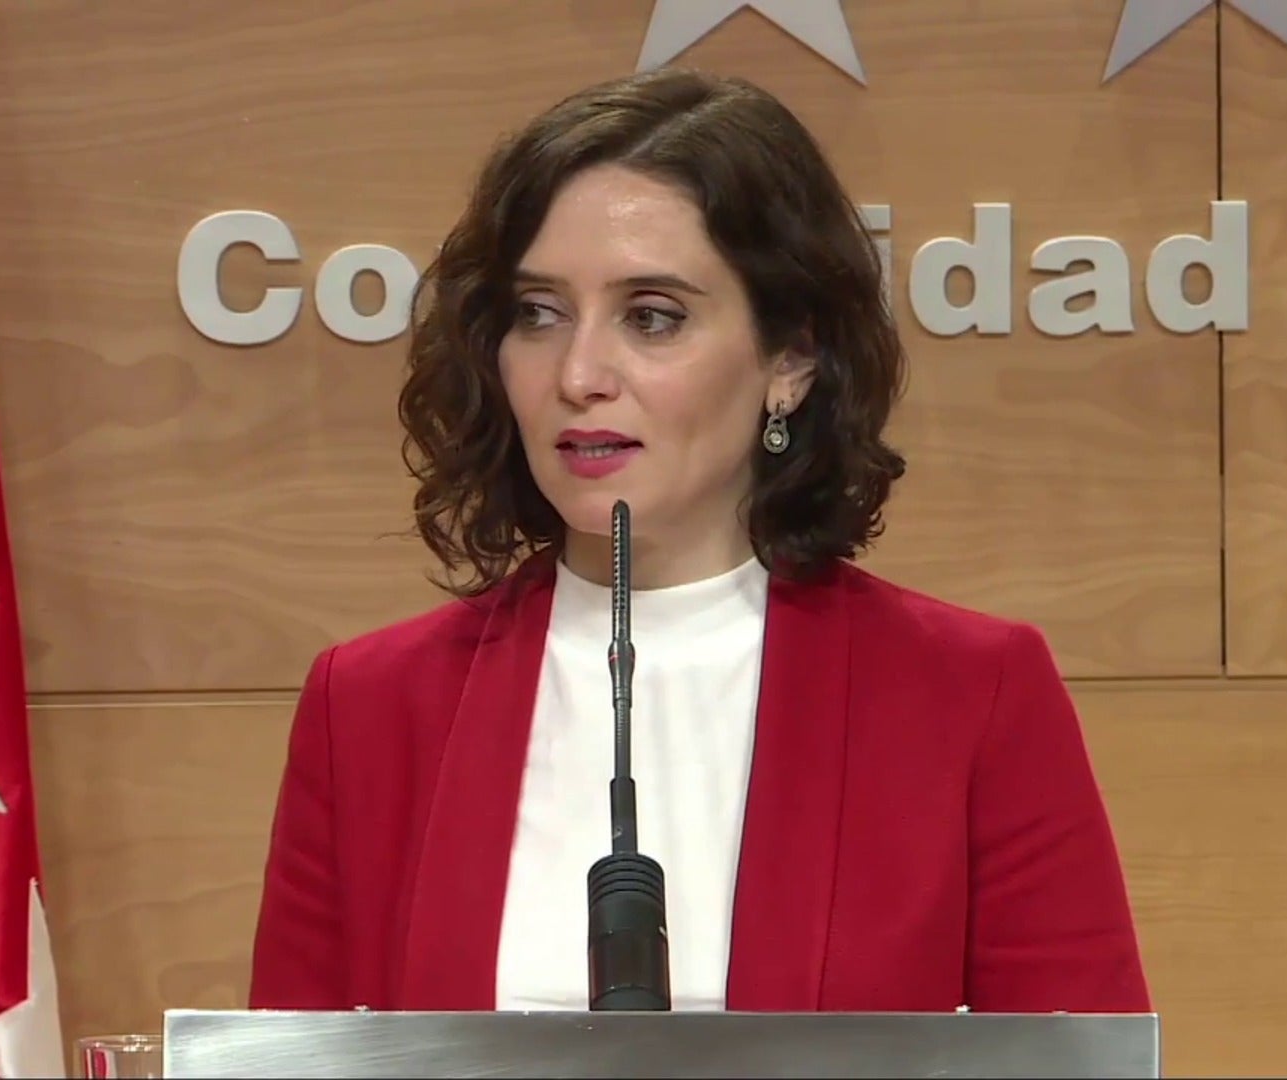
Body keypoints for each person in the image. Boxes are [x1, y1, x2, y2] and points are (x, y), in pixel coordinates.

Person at [248, 67, 1150, 1016]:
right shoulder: (368, 708)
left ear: (791, 358)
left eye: (652, 317)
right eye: (539, 314)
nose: (579, 374)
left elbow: (1084, 1058)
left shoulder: (972, 697)